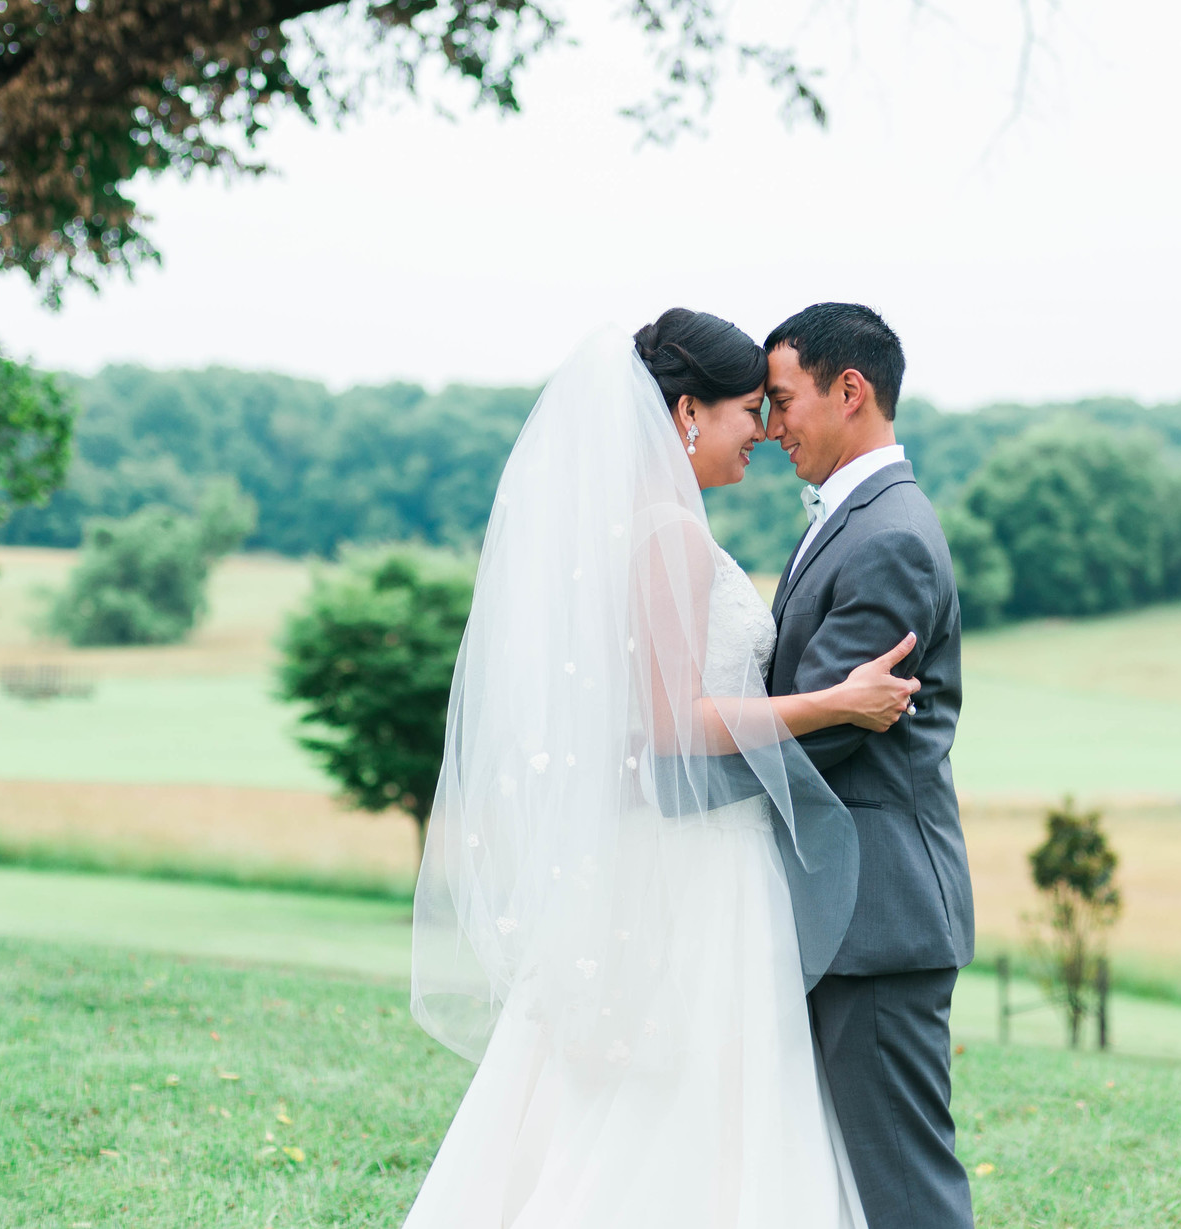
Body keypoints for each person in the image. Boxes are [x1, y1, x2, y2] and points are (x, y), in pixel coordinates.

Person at [404, 310, 923, 1229]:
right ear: (687, 413)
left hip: (667, 845)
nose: (762, 430)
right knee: (692, 1106)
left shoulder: (634, 526)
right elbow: (672, 721)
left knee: (641, 1102)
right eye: (747, 410)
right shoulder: (670, 533)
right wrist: (833, 702)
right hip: (701, 862)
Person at [762, 303, 975, 1229]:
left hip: (876, 915)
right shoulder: (858, 518)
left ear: (849, 389)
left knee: (904, 1194)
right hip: (844, 908)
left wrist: (669, 768)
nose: (772, 428)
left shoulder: (888, 534)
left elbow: (821, 731)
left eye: (782, 401)